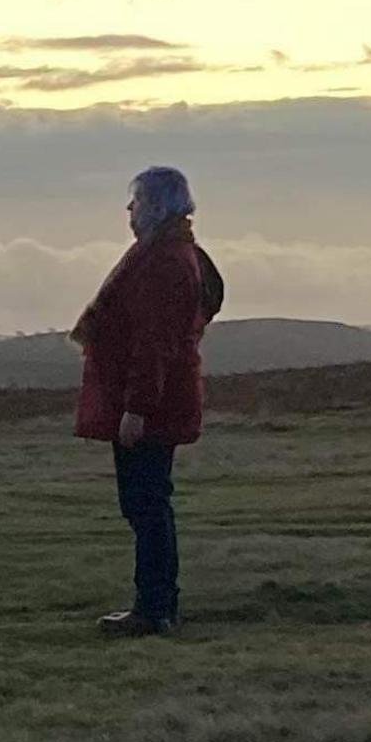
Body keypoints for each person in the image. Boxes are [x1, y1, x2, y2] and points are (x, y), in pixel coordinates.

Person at [73, 165, 222, 638]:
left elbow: (154, 342)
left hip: (149, 407)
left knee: (147, 505)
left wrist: (137, 408)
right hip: (157, 400)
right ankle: (156, 604)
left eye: (135, 202)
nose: (129, 211)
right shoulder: (177, 254)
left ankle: (155, 608)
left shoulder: (163, 261)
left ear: (155, 206)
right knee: (147, 503)